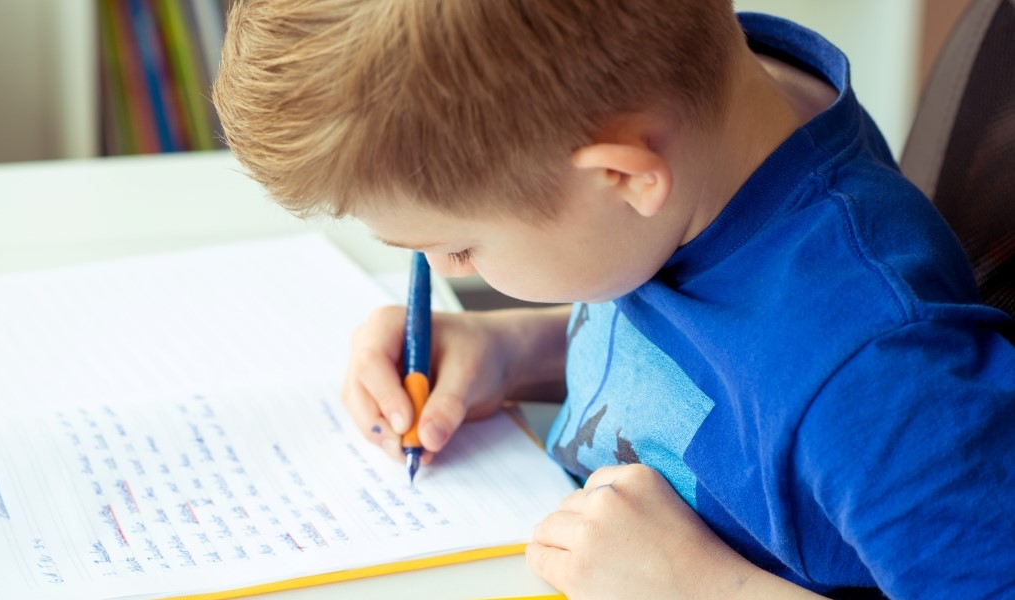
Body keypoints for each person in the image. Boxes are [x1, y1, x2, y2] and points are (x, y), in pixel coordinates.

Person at [212, 1, 1015, 598]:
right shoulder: (721, 124)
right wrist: (518, 349)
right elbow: (723, 365)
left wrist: (707, 590)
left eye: (458, 248)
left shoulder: (884, 382)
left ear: (624, 177)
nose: (441, 267)